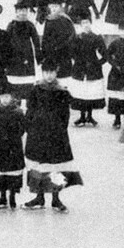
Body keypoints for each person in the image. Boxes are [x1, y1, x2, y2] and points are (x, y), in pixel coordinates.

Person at [23, 60, 83, 212]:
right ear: (42, 73)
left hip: (56, 135)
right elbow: (30, 110)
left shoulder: (61, 91)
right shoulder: (36, 89)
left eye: (52, 72)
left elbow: (65, 114)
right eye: (46, 72)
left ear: (56, 73)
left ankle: (56, 199)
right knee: (38, 165)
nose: (49, 76)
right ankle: (39, 197)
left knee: (56, 166)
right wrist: (30, 127)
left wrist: (60, 129)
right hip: (37, 133)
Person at [0, 91, 26, 209]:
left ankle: (12, 196)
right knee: (0, 172)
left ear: (12, 97)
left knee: (13, 172)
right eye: (2, 97)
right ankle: (2, 196)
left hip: (13, 146)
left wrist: (15, 136)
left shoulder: (18, 112)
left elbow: (22, 128)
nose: (4, 99)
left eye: (7, 97)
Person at [70, 17, 106, 126]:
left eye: (87, 22)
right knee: (82, 92)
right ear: (80, 25)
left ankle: (90, 116)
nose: (86, 25)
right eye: (83, 23)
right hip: (80, 70)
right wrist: (77, 61)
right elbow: (71, 52)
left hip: (93, 70)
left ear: (91, 23)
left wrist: (97, 64)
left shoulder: (96, 38)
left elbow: (105, 54)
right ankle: (81, 117)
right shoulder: (76, 38)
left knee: (91, 93)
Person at [6, 0, 41, 105]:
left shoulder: (30, 25)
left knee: (27, 83)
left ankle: (29, 106)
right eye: (20, 10)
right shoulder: (11, 25)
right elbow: (5, 41)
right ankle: (16, 106)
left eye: (24, 10)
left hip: (27, 57)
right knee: (15, 84)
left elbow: (36, 41)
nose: (22, 12)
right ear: (16, 12)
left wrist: (38, 56)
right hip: (14, 58)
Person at [104, 20, 124, 128]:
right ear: (118, 31)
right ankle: (117, 119)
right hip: (116, 73)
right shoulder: (115, 43)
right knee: (116, 98)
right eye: (122, 30)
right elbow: (108, 55)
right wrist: (115, 64)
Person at [40, 0, 75, 86]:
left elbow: (71, 36)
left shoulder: (65, 19)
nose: (54, 9)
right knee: (51, 75)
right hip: (51, 53)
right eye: (51, 7)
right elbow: (45, 37)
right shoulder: (48, 20)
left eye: (56, 6)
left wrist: (60, 46)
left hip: (63, 53)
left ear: (60, 7)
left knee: (64, 77)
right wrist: (44, 51)